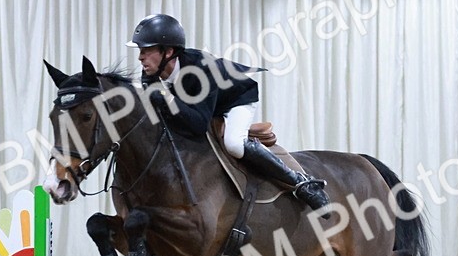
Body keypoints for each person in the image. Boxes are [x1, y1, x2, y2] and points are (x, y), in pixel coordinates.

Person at [126, 13, 331, 215]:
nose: (140, 57)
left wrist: (168, 100)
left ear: (168, 52)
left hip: (236, 99)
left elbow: (197, 125)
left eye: (146, 50)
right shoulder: (149, 74)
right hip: (203, 105)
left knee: (234, 143)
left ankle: (301, 183)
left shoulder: (203, 69)